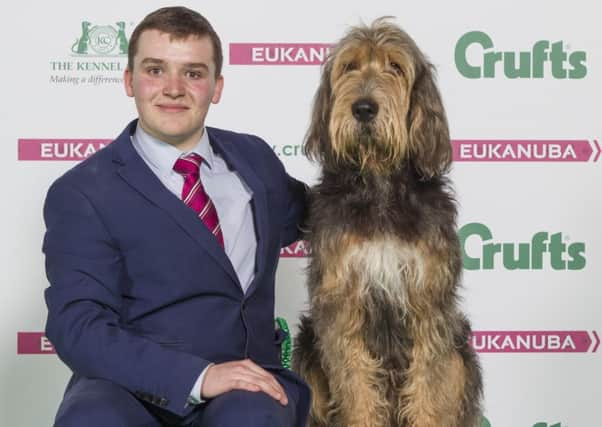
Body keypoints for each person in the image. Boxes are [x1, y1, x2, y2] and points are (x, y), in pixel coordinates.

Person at [43, 6, 309, 427]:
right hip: (127, 387)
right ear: (129, 81)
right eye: (155, 70)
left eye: (193, 73)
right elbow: (78, 326)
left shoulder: (255, 160)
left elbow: (329, 214)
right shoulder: (83, 191)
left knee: (253, 416)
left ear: (216, 87)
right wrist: (200, 377)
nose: (172, 89)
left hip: (247, 377)